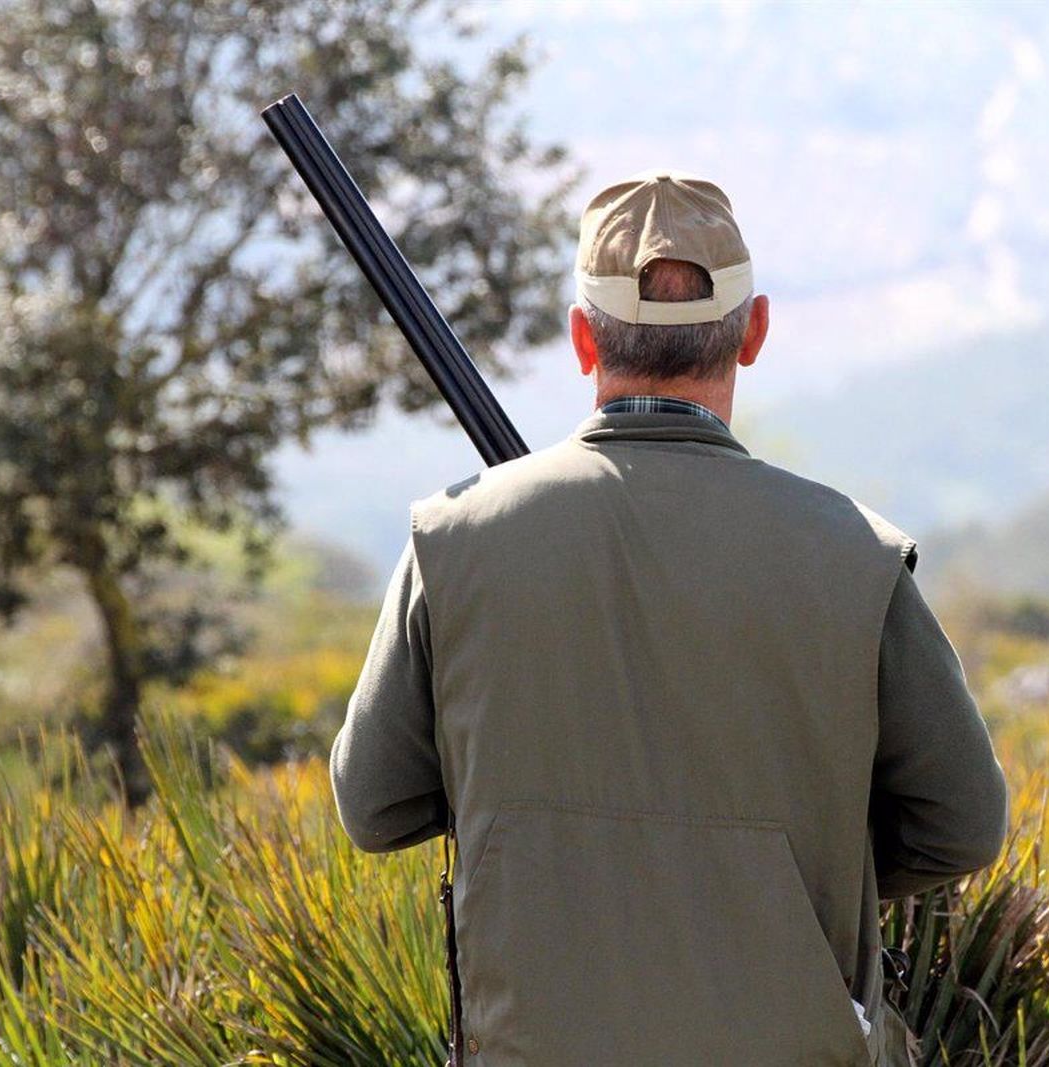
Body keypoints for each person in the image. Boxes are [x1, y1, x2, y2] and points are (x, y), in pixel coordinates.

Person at [330, 169, 1009, 1067]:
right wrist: (785, 861)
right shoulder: (855, 552)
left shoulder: (453, 540)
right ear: (754, 330)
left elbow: (375, 806)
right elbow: (962, 823)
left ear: (581, 338)